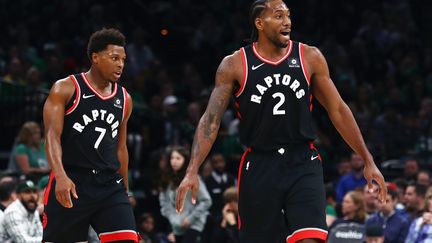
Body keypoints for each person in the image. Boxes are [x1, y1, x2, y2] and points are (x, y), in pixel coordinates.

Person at [175, 0, 387, 242]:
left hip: (302, 161)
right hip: (260, 163)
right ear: (260, 23)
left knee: (311, 237)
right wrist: (192, 170)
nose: (287, 21)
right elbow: (210, 121)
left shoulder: (309, 56)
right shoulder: (234, 64)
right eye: (278, 16)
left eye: (288, 15)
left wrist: (368, 159)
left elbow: (338, 109)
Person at [42, 28, 139, 242]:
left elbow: (120, 147)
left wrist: (126, 189)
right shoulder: (66, 88)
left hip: (108, 184)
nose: (121, 64)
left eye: (123, 59)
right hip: (72, 181)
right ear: (95, 57)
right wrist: (60, 176)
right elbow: (51, 137)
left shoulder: (125, 98)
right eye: (114, 58)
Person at [159, 146, 212, 243]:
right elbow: (164, 202)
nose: (174, 161)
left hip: (194, 224)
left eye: (178, 158)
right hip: (176, 224)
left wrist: (190, 219)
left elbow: (206, 200)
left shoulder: (192, 178)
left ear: (185, 160)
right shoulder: (166, 179)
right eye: (172, 158)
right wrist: (172, 218)